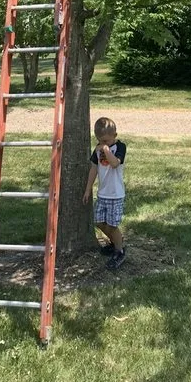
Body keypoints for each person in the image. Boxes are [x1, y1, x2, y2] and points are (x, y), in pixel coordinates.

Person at [83, 116, 127, 271]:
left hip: (116, 194)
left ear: (115, 136)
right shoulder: (97, 149)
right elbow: (94, 169)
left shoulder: (120, 147)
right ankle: (117, 242)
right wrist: (88, 188)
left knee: (113, 225)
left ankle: (119, 251)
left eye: (107, 141)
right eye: (101, 141)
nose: (103, 144)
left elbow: (115, 163)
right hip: (103, 194)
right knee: (99, 222)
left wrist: (107, 150)